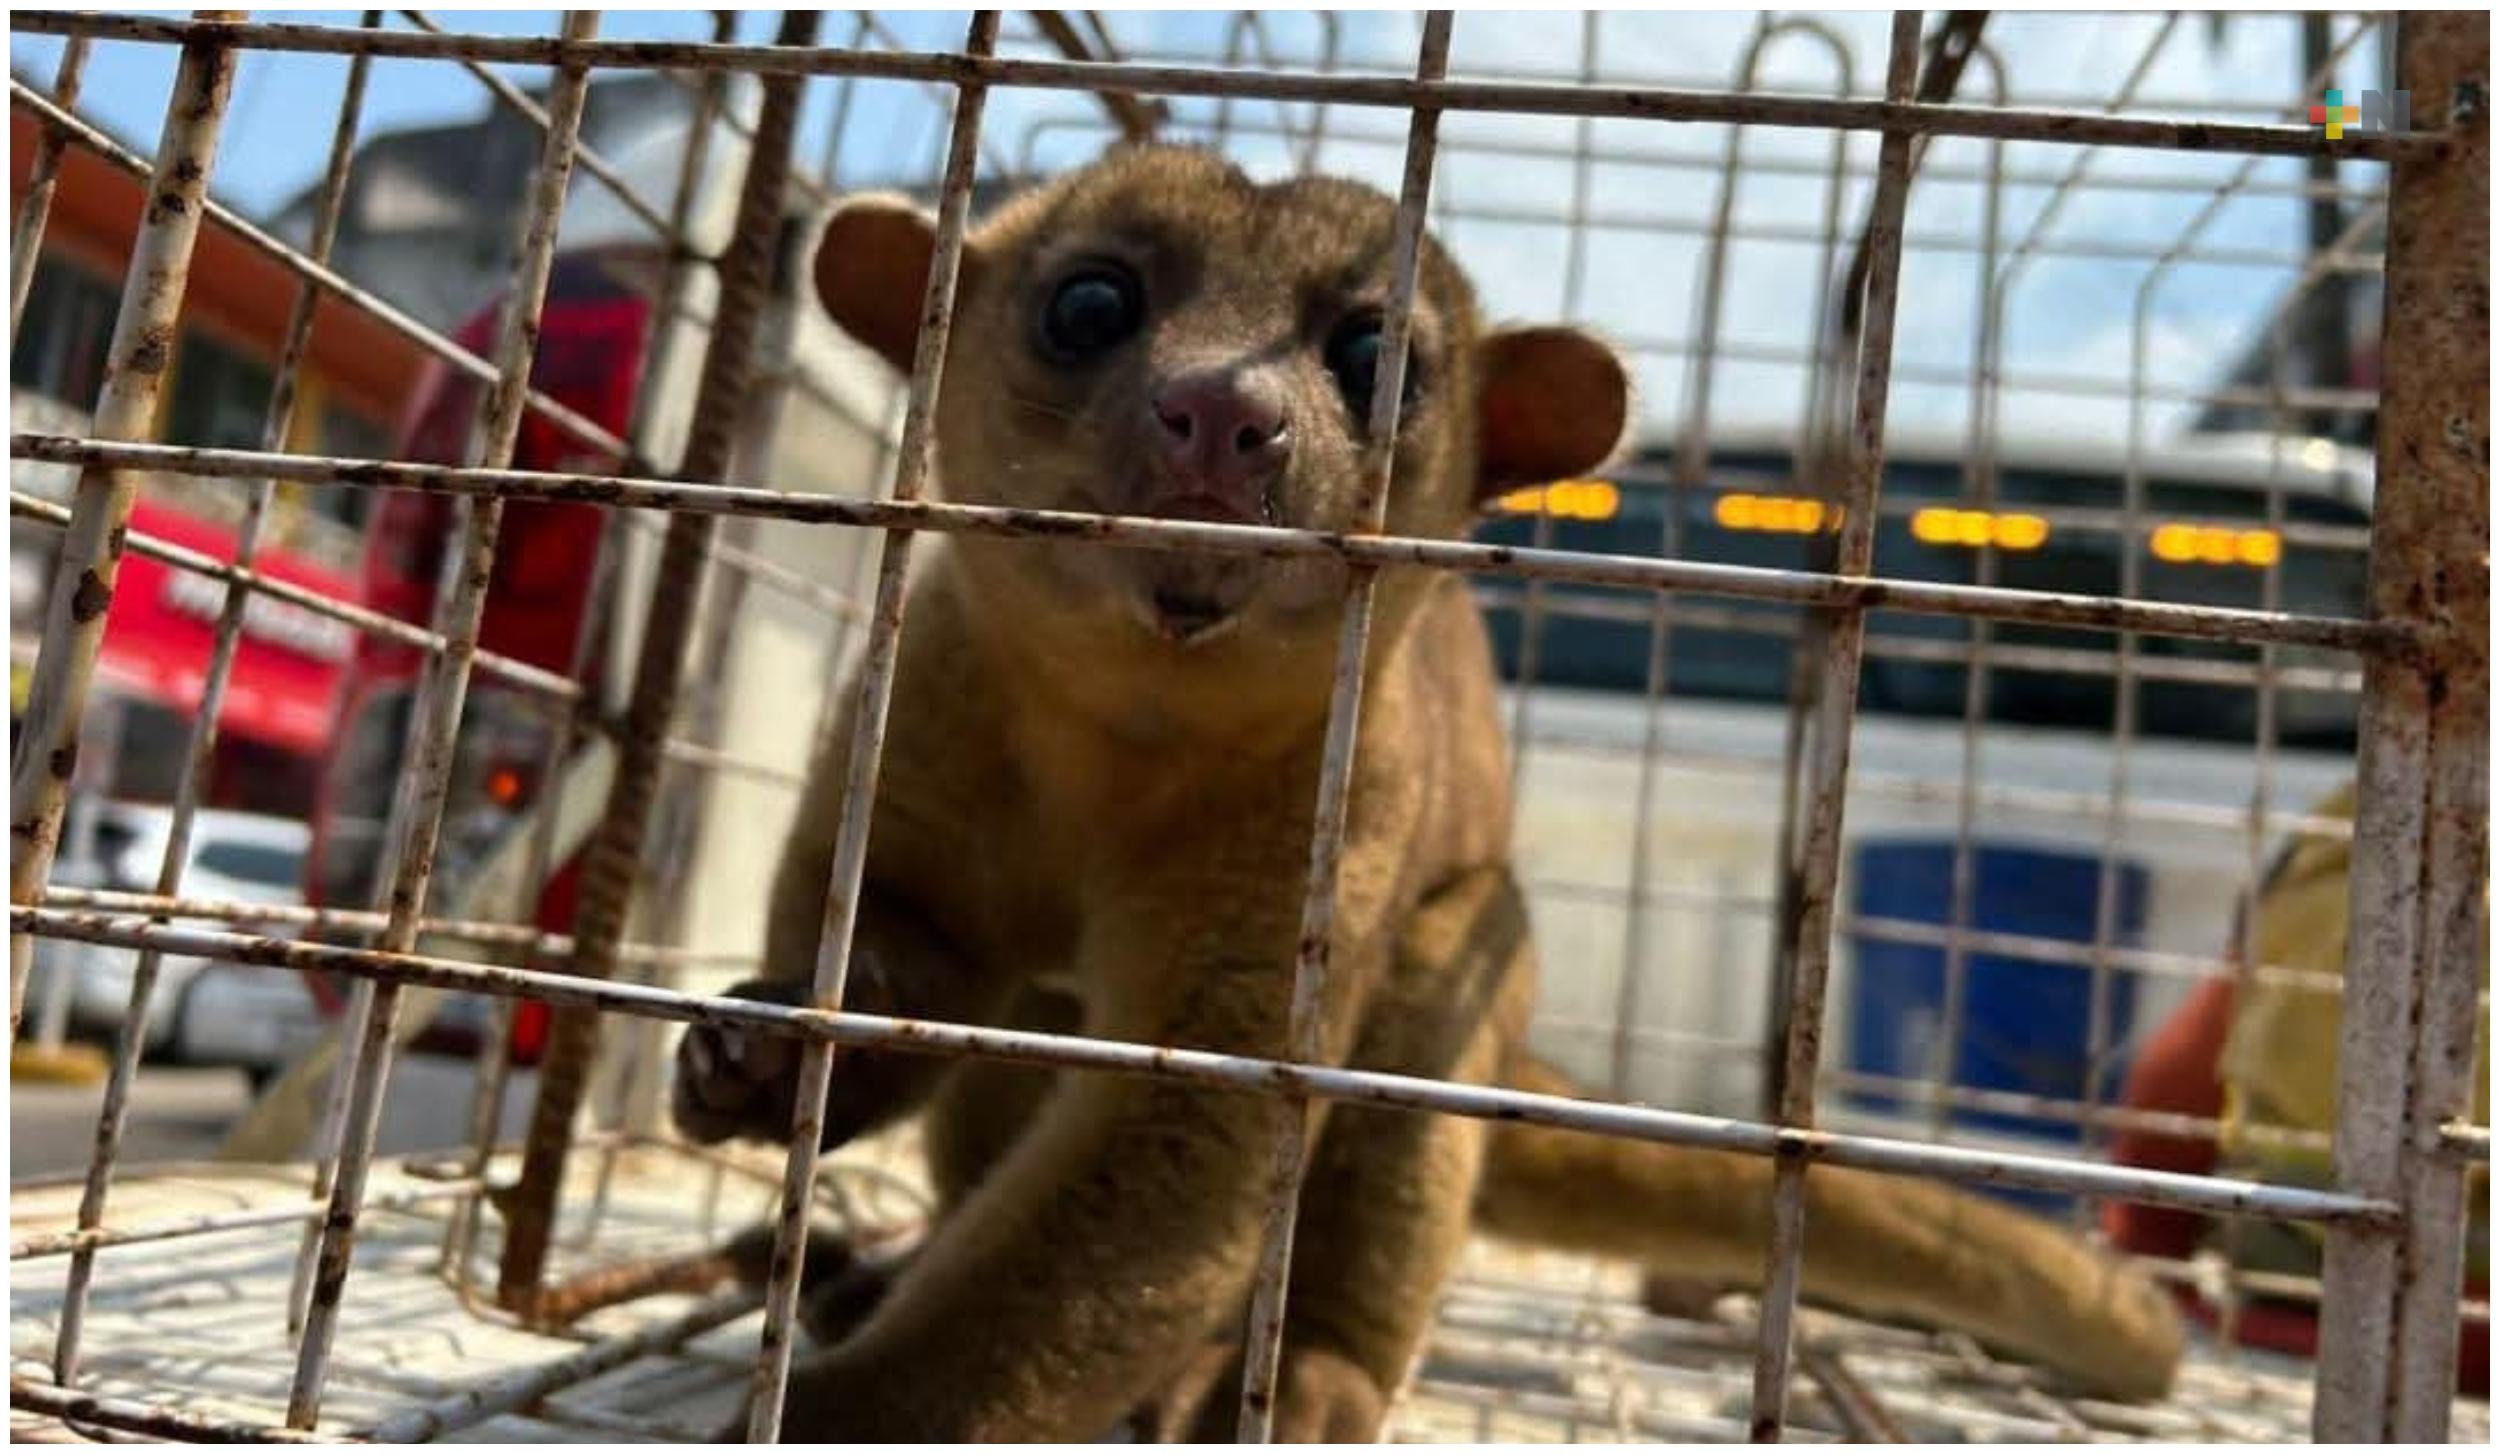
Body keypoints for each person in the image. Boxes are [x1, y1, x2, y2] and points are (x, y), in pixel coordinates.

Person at [2102, 781, 2488, 1393]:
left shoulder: (2364, 817)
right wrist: (2154, 1289)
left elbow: (2177, 1091)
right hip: (2283, 1317)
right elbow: (2181, 1092)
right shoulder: (2363, 817)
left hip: (2393, 1344)